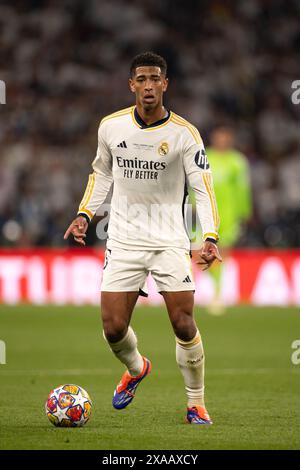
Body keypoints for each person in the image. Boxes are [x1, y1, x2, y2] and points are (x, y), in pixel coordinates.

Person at [64, 52, 221, 425]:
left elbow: (203, 187)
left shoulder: (184, 134)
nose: (148, 86)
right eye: (141, 79)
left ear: (165, 84)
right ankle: (137, 368)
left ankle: (195, 403)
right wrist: (85, 213)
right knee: (113, 327)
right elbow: (100, 174)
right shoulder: (111, 127)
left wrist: (210, 236)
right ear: (131, 84)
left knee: (183, 323)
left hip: (169, 239)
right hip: (123, 238)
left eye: (155, 79)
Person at [190, 125, 252, 314]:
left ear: (230, 138)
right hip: (205, 213)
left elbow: (243, 189)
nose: (222, 140)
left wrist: (245, 211)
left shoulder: (238, 161)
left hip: (229, 215)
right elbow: (195, 183)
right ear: (214, 138)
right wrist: (192, 204)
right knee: (201, 251)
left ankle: (217, 295)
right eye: (219, 136)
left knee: (222, 253)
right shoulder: (204, 157)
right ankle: (203, 291)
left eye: (226, 136)